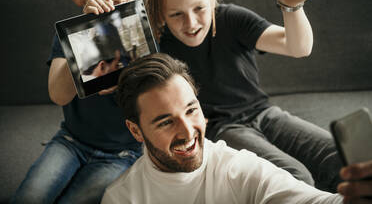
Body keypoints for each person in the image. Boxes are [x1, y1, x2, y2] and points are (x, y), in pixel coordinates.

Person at [145, 0, 343, 192]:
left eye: (199, 8)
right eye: (176, 14)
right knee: (295, 177)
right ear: (161, 16)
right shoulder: (156, 44)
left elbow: (298, 47)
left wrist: (291, 4)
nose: (191, 23)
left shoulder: (231, 19)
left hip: (264, 113)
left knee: (341, 156)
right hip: (223, 129)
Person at [101, 52, 342, 204]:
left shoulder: (237, 168)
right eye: (165, 122)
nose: (187, 132)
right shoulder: (122, 198)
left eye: (191, 110)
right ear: (136, 131)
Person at [11, 0, 141, 203]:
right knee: (29, 197)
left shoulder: (138, 38)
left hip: (120, 153)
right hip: (71, 142)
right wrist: (86, 37)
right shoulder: (71, 37)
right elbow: (59, 94)